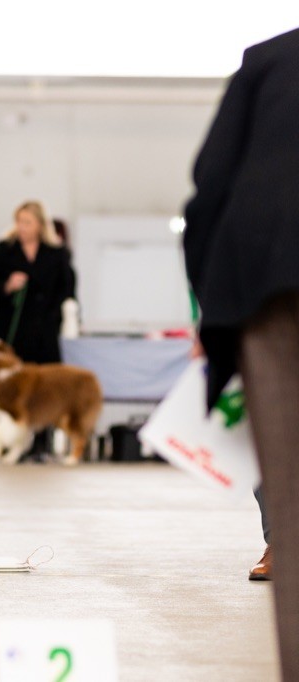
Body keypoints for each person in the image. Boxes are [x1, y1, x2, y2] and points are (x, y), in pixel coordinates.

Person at [182, 27, 299, 680]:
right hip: (271, 280)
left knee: (294, 498)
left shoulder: (270, 60)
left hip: (272, 291)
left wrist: (218, 322)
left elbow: (209, 195)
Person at [0, 200, 74, 364]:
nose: (21, 227)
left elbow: (67, 288)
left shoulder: (57, 253)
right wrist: (8, 285)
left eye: (27, 223)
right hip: (11, 330)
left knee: (46, 381)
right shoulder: (2, 249)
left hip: (45, 333)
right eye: (18, 221)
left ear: (40, 225)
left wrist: (56, 316)